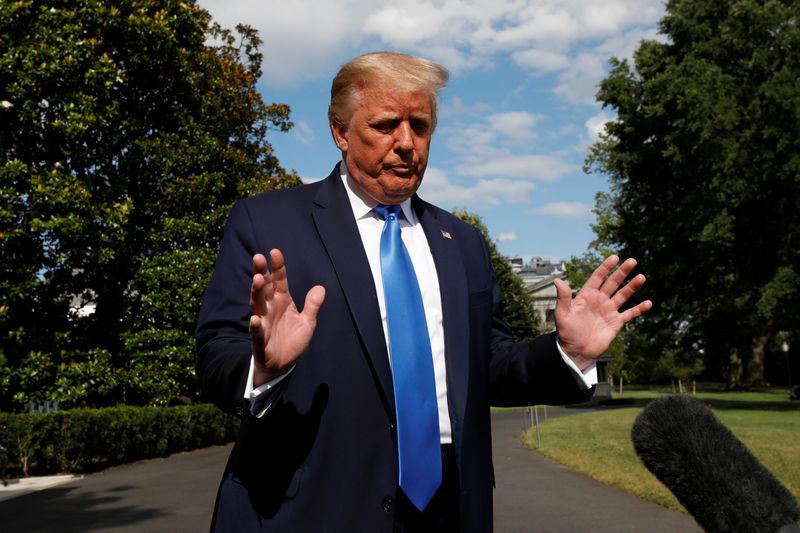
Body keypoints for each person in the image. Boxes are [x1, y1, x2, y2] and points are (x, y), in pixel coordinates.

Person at [195, 50, 652, 533]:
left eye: (421, 125)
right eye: (386, 124)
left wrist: (566, 352)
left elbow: (490, 363)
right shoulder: (267, 222)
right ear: (339, 132)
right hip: (314, 506)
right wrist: (263, 368)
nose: (407, 143)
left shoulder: (463, 242)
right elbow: (216, 352)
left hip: (449, 508)